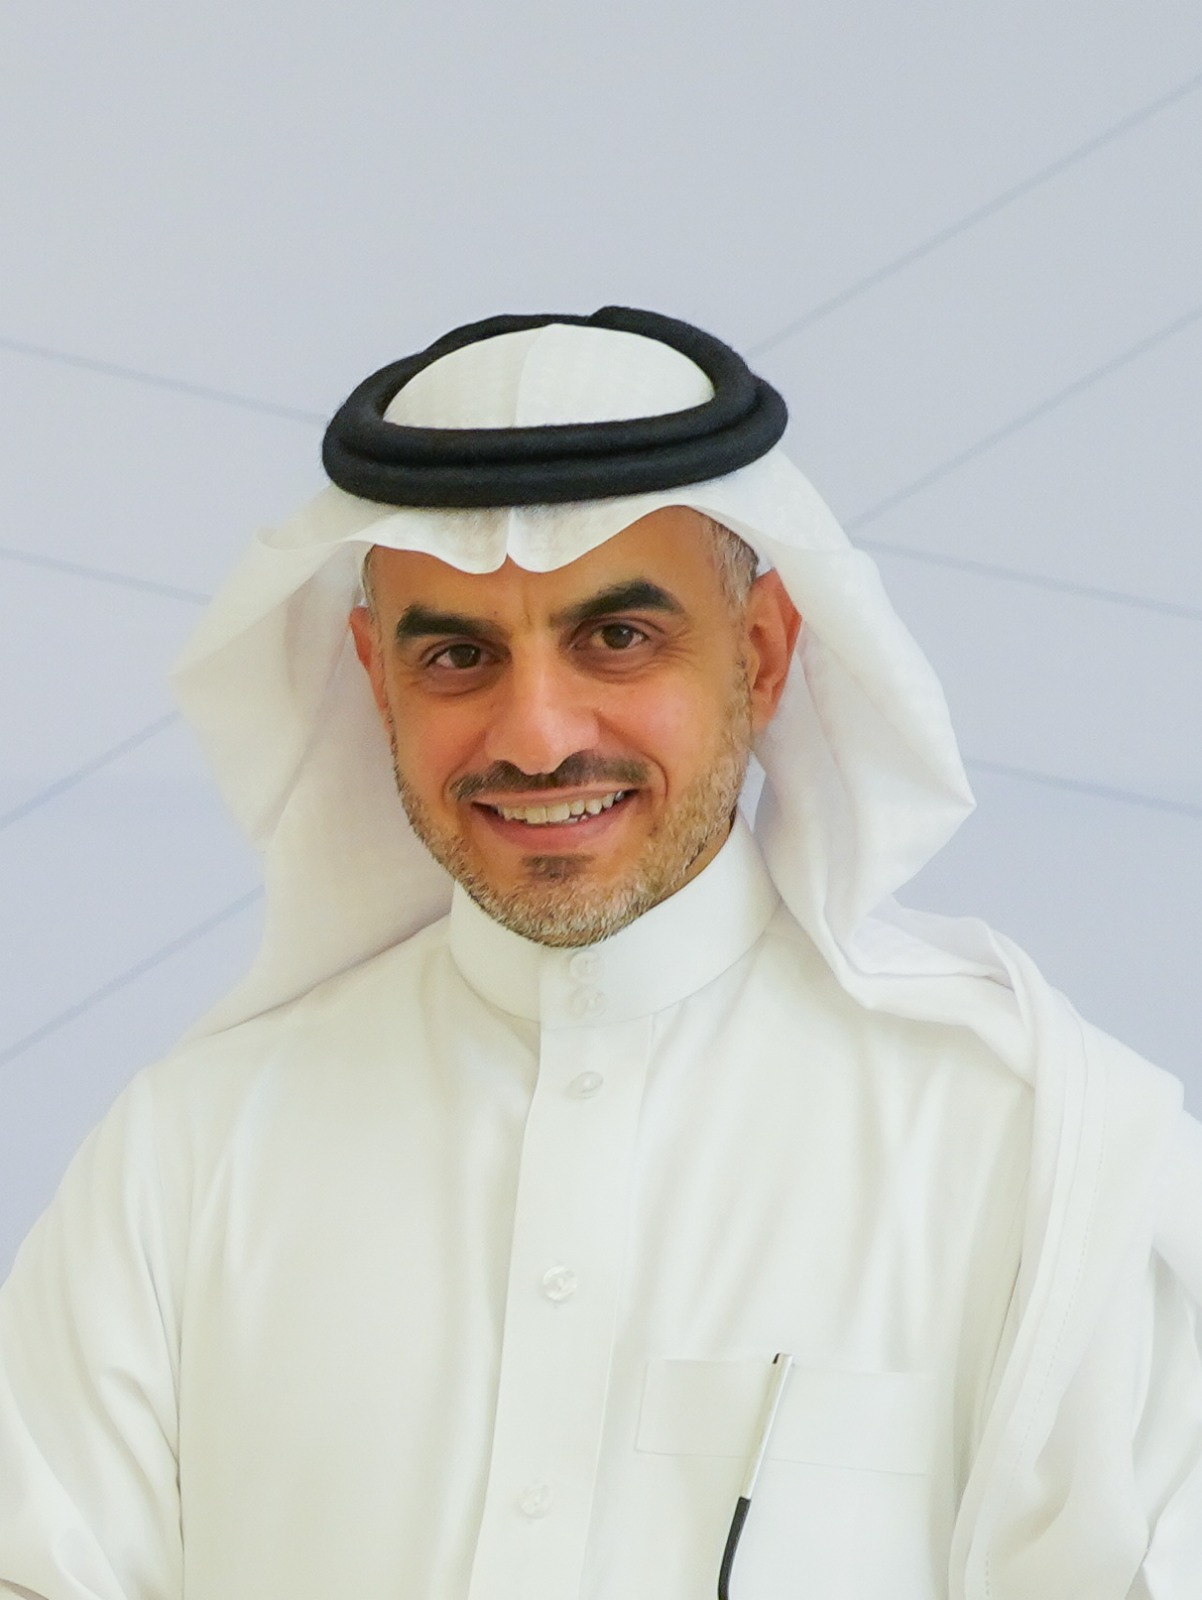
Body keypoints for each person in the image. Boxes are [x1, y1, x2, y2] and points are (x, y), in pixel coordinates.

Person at [1, 307, 1199, 1600]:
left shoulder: (1041, 1160)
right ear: (376, 678)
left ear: (760, 654)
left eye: (616, 639)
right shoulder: (182, 1162)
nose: (536, 736)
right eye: (457, 655)